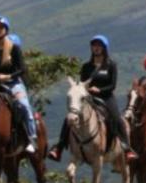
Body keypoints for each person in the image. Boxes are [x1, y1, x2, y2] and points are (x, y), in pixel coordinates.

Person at [48, 34, 135, 162]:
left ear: (104, 48)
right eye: (94, 45)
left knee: (117, 119)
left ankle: (127, 149)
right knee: (69, 117)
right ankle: (59, 147)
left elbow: (112, 85)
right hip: (89, 98)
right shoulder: (86, 67)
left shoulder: (111, 65)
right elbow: (82, 84)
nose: (96, 48)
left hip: (106, 97)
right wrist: (86, 90)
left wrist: (99, 90)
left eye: (99, 45)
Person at [0, 15, 37, 154]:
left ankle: (31, 139)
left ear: (6, 30)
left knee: (23, 105)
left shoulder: (14, 48)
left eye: (1, 27)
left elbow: (22, 69)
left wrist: (7, 76)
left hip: (13, 83)